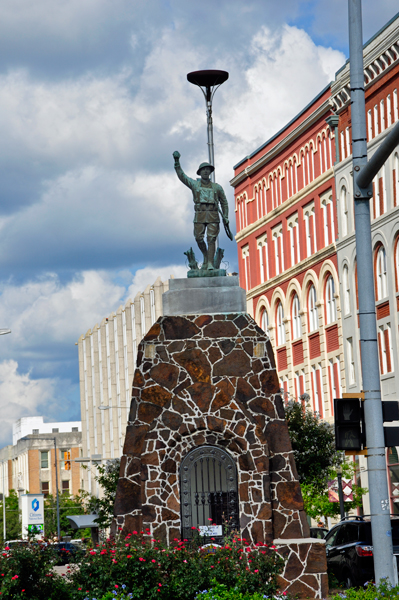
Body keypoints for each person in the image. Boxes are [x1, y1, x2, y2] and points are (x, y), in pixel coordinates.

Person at [173, 150, 230, 270]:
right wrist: (177, 162)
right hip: (200, 213)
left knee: (211, 238)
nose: (205, 171)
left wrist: (225, 215)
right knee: (198, 238)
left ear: (210, 172)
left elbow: (224, 202)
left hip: (213, 214)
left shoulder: (217, 187)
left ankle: (209, 263)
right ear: (200, 173)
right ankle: (205, 255)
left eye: (207, 169)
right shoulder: (194, 184)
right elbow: (182, 176)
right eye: (203, 169)